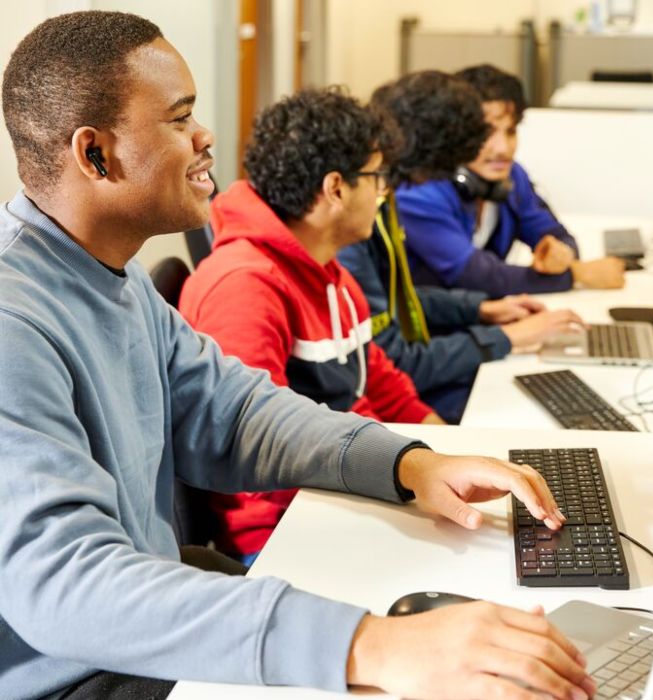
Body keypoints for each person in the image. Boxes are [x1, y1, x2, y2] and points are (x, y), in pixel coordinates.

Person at [0, 11, 595, 700]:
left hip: (141, 638)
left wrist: (409, 464)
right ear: (95, 154)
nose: (206, 137)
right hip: (80, 678)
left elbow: (237, 411)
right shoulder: (15, 320)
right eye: (179, 119)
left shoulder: (115, 273)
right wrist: (371, 645)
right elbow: (65, 587)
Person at [179, 87, 444, 563]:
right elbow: (254, 448)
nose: (385, 193)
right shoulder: (244, 287)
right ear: (336, 188)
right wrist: (400, 481)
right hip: (284, 534)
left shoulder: (328, 270)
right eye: (377, 178)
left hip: (343, 491)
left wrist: (439, 451)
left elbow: (379, 380)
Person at [338, 71, 585, 424]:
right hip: (389, 397)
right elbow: (395, 361)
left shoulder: (386, 202)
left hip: (402, 386)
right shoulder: (363, 226)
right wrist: (505, 337)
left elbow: (400, 300)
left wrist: (480, 309)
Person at [393, 64, 625, 298]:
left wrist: (562, 253)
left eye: (511, 131)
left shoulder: (511, 176)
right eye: (486, 133)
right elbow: (477, 277)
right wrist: (576, 275)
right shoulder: (418, 192)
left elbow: (554, 233)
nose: (503, 149)